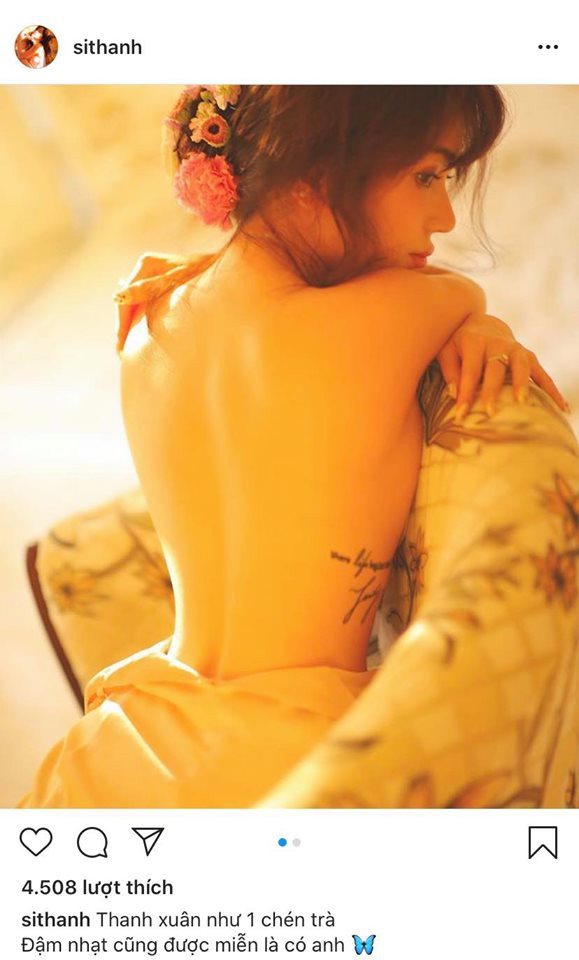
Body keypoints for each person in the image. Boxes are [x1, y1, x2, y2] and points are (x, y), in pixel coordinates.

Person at [18, 86, 570, 808]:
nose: (443, 217)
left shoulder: (145, 318)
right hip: (284, 752)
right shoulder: (412, 307)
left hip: (122, 739)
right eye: (426, 176)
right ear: (315, 175)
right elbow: (460, 295)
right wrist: (482, 324)